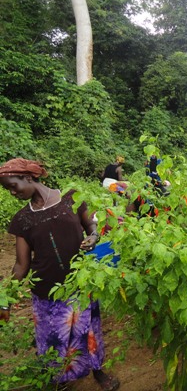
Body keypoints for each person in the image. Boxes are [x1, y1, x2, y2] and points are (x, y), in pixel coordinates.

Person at [0, 158, 119, 390]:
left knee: (89, 333)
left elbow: (91, 227)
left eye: (13, 186)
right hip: (47, 293)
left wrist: (93, 237)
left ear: (28, 177)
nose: (12, 193)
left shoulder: (70, 197)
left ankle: (98, 371)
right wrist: (5, 299)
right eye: (7, 190)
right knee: (54, 340)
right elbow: (21, 266)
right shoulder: (22, 219)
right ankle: (60, 381)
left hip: (80, 284)